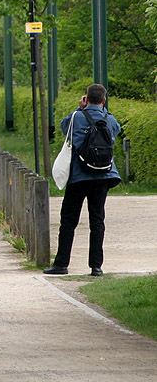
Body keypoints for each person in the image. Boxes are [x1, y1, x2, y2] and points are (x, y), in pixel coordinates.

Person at [44, 84, 121, 277]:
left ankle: (61, 264)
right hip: (103, 176)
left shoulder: (77, 116)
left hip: (79, 176)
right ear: (103, 100)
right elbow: (116, 132)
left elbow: (64, 128)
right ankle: (96, 266)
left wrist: (80, 108)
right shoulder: (109, 119)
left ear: (86, 98)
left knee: (69, 220)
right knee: (97, 220)